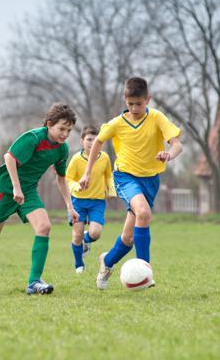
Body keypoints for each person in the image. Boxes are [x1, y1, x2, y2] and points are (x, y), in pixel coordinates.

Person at [0, 103, 79, 295]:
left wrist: (70, 205)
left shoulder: (61, 149)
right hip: (5, 190)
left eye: (69, 130)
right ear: (49, 124)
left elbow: (61, 177)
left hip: (28, 192)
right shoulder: (33, 138)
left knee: (44, 227)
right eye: (62, 129)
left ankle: (34, 282)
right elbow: (9, 158)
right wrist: (16, 187)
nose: (65, 134)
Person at [79, 77, 182, 290]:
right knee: (143, 213)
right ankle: (146, 270)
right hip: (125, 177)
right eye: (130, 104)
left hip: (150, 181)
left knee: (128, 238)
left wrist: (169, 155)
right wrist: (87, 173)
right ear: (125, 100)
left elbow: (177, 145)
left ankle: (106, 262)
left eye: (139, 104)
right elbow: (98, 142)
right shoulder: (117, 123)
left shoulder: (157, 118)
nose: (134, 108)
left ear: (148, 99)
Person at [65, 125, 115, 273]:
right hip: (78, 202)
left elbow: (108, 176)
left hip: (97, 202)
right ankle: (79, 265)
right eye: (89, 139)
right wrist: (76, 187)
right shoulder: (76, 159)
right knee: (76, 234)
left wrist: (111, 190)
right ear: (82, 141)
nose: (92, 143)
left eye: (96, 140)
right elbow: (68, 179)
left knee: (95, 233)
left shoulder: (104, 157)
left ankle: (86, 240)